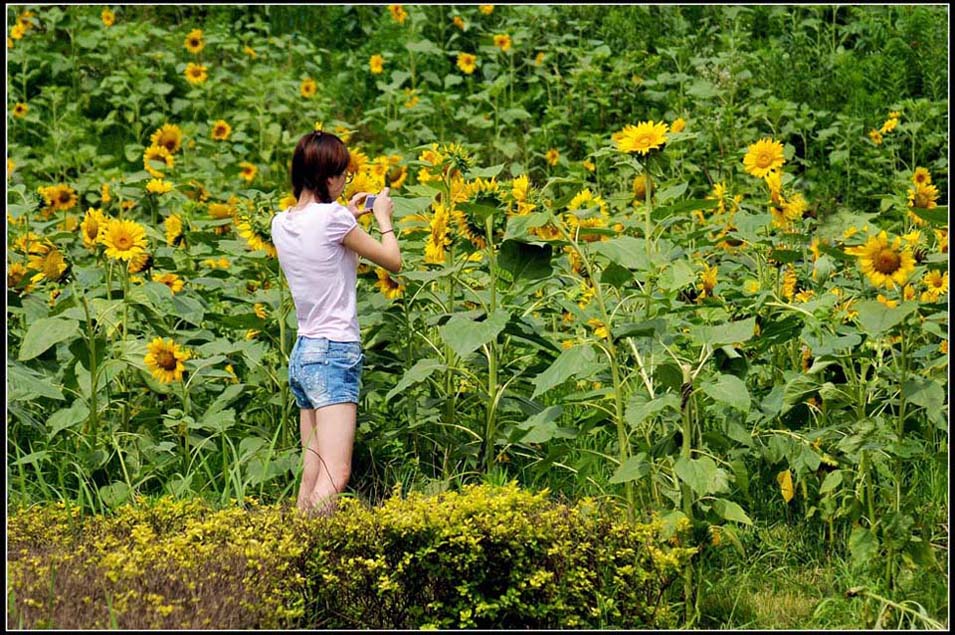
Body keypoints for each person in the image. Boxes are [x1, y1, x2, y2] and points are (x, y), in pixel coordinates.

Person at [271, 130, 401, 516]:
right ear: (327, 177)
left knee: (311, 473)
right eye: (342, 175)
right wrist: (382, 219)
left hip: (304, 352)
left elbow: (322, 230)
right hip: (334, 354)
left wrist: (348, 215)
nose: (345, 183)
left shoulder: (281, 222)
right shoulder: (333, 220)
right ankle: (312, 552)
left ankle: (293, 551)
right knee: (336, 474)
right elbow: (392, 261)